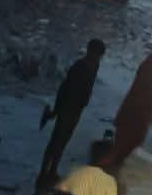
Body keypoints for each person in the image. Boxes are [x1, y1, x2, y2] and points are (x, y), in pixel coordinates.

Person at [39, 39, 105, 183]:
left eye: (99, 56)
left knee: (64, 140)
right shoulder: (78, 67)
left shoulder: (95, 66)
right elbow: (64, 88)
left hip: (77, 109)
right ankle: (43, 173)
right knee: (56, 141)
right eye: (96, 54)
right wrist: (58, 109)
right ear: (89, 51)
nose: (97, 58)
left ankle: (52, 170)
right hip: (67, 107)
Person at [111, 46, 152, 165]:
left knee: (130, 139)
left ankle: (115, 161)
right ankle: (112, 164)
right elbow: (151, 91)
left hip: (141, 109)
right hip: (137, 109)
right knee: (131, 139)